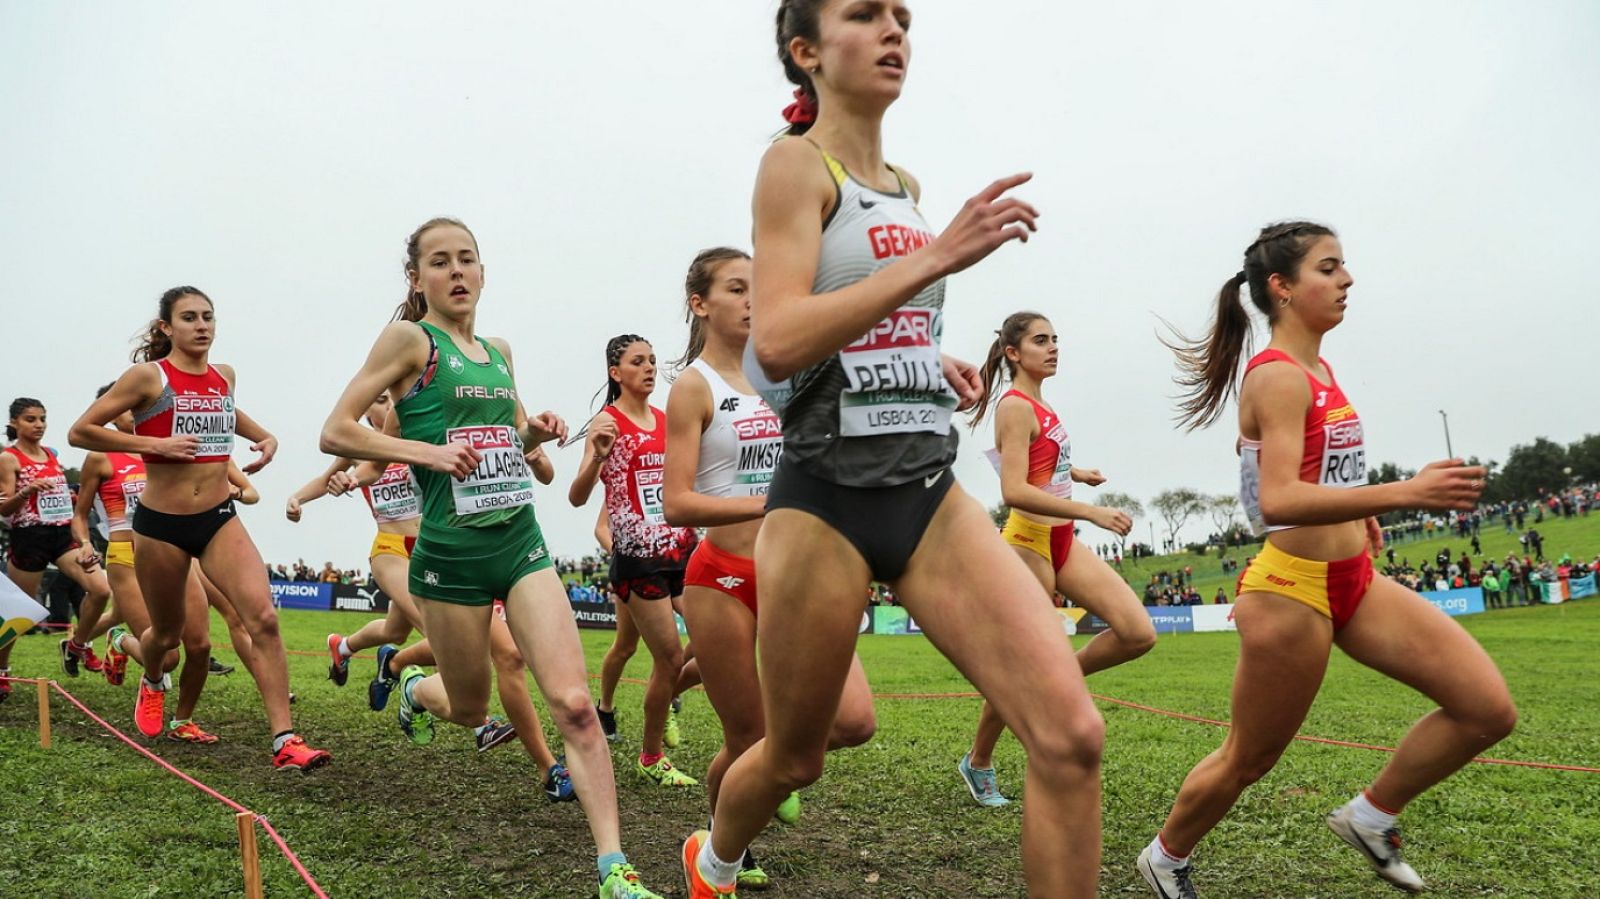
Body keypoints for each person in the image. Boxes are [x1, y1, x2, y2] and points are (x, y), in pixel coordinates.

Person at [682, 4, 1104, 896]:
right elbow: (782, 339)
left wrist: (927, 360)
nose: (893, 30)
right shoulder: (794, 167)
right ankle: (713, 859)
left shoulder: (903, 183)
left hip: (926, 492)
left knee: (1071, 736)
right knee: (795, 758)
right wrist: (938, 255)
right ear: (806, 52)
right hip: (824, 502)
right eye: (865, 14)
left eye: (903, 16)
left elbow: (868, 320)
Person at [1139, 221, 1516, 897]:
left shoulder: (1317, 368)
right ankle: (1165, 856)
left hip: (1356, 580)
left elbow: (1275, 467)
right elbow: (1277, 500)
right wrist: (1405, 492)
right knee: (1248, 758)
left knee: (1486, 709)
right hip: (1291, 591)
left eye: (1344, 267)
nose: (1347, 280)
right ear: (1282, 288)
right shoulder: (1278, 376)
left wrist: (1358, 506)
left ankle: (1370, 816)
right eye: (1329, 267)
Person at [319, 217, 659, 896]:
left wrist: (537, 432)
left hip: (519, 543)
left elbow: (532, 466)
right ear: (417, 279)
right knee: (473, 706)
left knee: (574, 703)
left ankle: (613, 866)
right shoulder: (411, 342)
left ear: (482, 271)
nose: (456, 271)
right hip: (447, 557)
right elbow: (336, 430)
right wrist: (428, 453)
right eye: (439, 262)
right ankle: (415, 687)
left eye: (466, 259)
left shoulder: (499, 352)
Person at [662, 246, 877, 889]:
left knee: (853, 722)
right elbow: (677, 502)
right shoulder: (694, 387)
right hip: (722, 577)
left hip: (802, 572)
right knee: (750, 735)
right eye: (737, 287)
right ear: (701, 304)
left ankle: (738, 811)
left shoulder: (792, 373)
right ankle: (720, 846)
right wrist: (766, 499)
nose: (755, 298)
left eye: (761, 285)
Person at [68, 287, 331, 771]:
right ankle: (150, 680)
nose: (201, 325)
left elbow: (230, 411)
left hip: (216, 519)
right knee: (166, 636)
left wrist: (265, 436)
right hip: (160, 527)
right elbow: (81, 431)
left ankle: (285, 740)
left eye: (208, 316)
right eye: (188, 317)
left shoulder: (223, 375)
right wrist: (156, 446)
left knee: (264, 620)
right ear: (166, 327)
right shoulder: (149, 377)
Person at [954, 312, 1152, 806]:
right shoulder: (1015, 406)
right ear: (1015, 353)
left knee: (1137, 633)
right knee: (1020, 668)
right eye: (1041, 341)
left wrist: (1077, 474)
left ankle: (1058, 676)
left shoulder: (1041, 405)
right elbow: (1014, 490)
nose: (1054, 348)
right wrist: (1090, 511)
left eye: (1056, 339)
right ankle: (978, 762)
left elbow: (1044, 463)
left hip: (1061, 540)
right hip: (1027, 544)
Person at [568, 335, 699, 787]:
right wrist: (596, 459)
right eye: (637, 361)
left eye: (652, 361)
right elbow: (577, 496)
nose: (648, 368)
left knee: (714, 636)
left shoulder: (667, 420)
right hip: (638, 560)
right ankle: (651, 754)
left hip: (683, 551)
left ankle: (660, 706)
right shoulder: (607, 422)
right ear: (614, 371)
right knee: (664, 658)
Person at [1, 397, 113, 687]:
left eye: (42, 419)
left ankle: (77, 644)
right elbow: (4, 508)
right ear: (14, 423)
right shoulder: (9, 458)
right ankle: (2, 670)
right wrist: (28, 491)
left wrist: (69, 497)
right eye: (30, 419)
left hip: (63, 535)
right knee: (19, 614)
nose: (39, 425)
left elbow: (59, 498)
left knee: (100, 590)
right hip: (30, 537)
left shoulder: (50, 454)